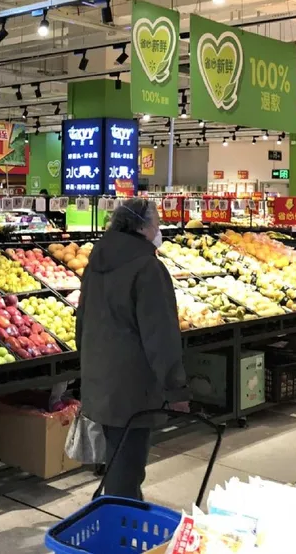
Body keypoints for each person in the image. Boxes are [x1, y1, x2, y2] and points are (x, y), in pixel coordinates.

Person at [76, 197, 190, 500]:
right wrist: (175, 388)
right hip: (133, 386)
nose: (159, 229)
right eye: (157, 223)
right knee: (128, 469)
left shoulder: (96, 261)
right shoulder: (148, 268)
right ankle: (120, 531)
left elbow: (81, 320)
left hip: (100, 377)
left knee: (117, 458)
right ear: (142, 226)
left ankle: (117, 513)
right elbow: (161, 335)